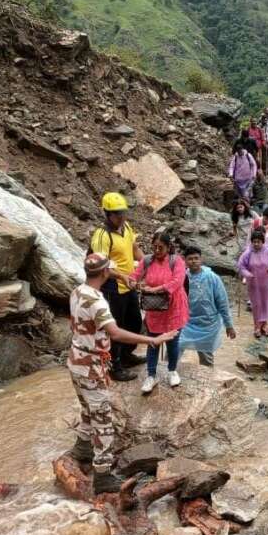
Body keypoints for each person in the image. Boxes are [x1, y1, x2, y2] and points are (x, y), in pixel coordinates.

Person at [67, 253, 177, 494]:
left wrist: (118, 274)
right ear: (105, 273)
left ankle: (82, 449)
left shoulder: (77, 291)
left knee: (88, 408)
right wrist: (152, 340)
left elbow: (104, 274)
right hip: (91, 366)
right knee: (103, 420)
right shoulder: (98, 302)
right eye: (110, 271)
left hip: (76, 360)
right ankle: (103, 474)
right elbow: (115, 333)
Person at [89, 192, 145, 382]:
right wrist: (121, 276)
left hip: (128, 284)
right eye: (116, 214)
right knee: (116, 327)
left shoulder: (126, 227)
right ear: (107, 214)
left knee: (135, 322)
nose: (121, 217)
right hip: (112, 285)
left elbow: (135, 249)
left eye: (122, 212)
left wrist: (149, 264)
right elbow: (100, 265)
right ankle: (115, 366)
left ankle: (127, 354)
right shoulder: (102, 235)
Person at [130, 231, 189, 394]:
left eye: (160, 248)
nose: (157, 251)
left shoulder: (176, 261)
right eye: (154, 247)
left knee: (172, 342)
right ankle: (151, 375)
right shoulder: (147, 260)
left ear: (168, 247)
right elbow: (135, 275)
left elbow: (177, 281)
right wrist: (133, 282)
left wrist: (156, 289)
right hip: (154, 308)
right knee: (153, 341)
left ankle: (172, 371)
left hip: (174, 307)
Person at [178, 246, 236, 367]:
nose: (193, 261)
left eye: (196, 258)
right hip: (186, 322)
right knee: (175, 347)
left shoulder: (212, 278)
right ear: (185, 261)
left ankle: (209, 381)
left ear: (201, 259)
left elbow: (222, 302)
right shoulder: (181, 277)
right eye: (190, 259)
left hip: (207, 324)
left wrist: (229, 325)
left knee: (206, 358)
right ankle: (168, 371)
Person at [238, 227, 268, 338]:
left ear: (263, 242)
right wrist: (247, 274)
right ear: (251, 242)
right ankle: (257, 326)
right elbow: (241, 266)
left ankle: (265, 325)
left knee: (266, 304)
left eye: (258, 242)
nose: (256, 244)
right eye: (254, 242)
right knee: (256, 305)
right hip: (253, 284)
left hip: (266, 283)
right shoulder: (247, 254)